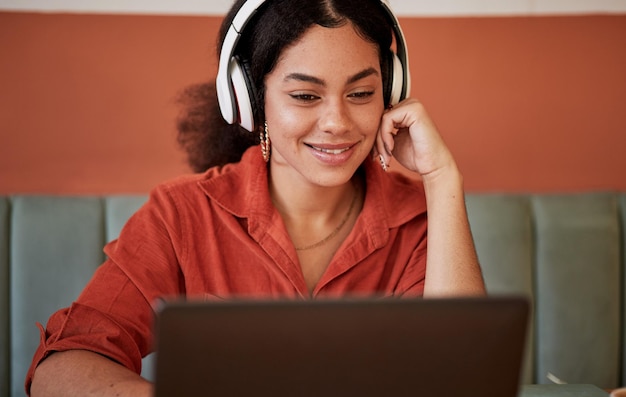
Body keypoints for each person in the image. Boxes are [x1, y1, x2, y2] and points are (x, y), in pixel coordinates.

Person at [27, 0, 485, 395]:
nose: (337, 122)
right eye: (305, 95)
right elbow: (62, 367)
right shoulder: (181, 215)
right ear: (249, 99)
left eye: (361, 93)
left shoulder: (420, 219)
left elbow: (466, 378)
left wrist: (442, 178)